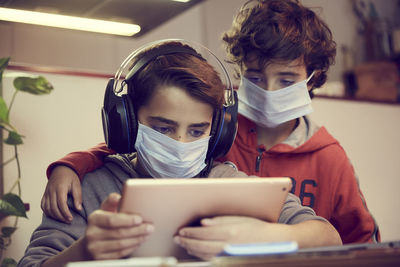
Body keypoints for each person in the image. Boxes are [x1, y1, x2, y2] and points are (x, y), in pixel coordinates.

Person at [41, 0, 379, 244]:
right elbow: (128, 152)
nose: (181, 146)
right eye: (256, 77)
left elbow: (351, 240)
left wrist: (267, 235)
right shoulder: (222, 139)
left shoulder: (326, 157)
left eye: (286, 80)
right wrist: (73, 164)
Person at [19, 40, 341, 267]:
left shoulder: (230, 183)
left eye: (197, 131)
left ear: (217, 133)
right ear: (127, 123)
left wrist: (264, 234)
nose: (181, 143)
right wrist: (85, 251)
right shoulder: (85, 189)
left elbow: (329, 239)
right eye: (163, 128)